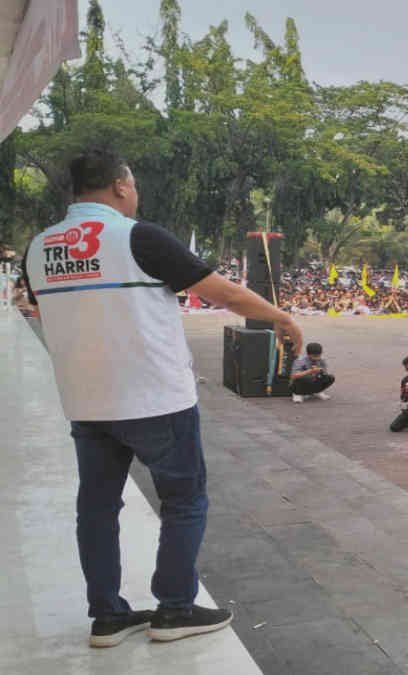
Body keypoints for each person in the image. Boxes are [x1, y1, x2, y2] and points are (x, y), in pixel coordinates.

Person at [18, 148, 303, 646]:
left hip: (85, 402)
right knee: (184, 500)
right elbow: (224, 293)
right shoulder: (138, 237)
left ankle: (106, 616)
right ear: (121, 186)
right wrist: (281, 318)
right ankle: (174, 610)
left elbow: (43, 312)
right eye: (134, 186)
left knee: (97, 509)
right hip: (154, 399)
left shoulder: (39, 247)